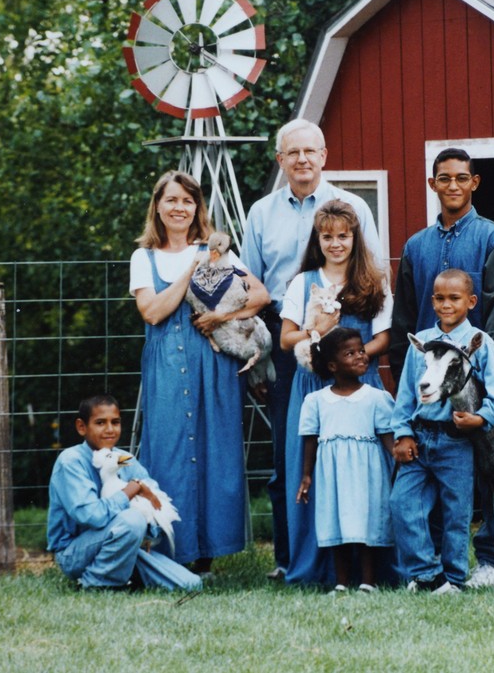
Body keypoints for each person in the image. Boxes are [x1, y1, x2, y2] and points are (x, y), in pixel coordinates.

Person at [241, 118, 383, 580]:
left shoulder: (352, 207)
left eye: (310, 151)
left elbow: (375, 277)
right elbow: (252, 286)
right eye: (292, 152)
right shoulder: (262, 212)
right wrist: (269, 352)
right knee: (293, 456)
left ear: (324, 155)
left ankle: (363, 560)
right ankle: (292, 561)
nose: (302, 159)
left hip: (354, 345)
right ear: (280, 159)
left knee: (360, 455)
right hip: (292, 342)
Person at [388, 147, 494, 588]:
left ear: (474, 183)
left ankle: (491, 559)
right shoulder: (415, 246)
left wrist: (482, 381)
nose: (453, 186)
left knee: (487, 475)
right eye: (444, 178)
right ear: (433, 184)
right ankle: (433, 570)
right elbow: (406, 316)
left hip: (474, 383)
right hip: (428, 382)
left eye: (461, 178)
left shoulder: (493, 236)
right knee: (437, 485)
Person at [129, 170, 270, 577]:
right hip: (167, 365)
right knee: (168, 449)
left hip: (212, 363)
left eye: (188, 201)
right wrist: (191, 270)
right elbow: (153, 311)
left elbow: (259, 294)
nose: (179, 208)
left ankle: (207, 556)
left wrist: (223, 314)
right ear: (158, 206)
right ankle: (171, 549)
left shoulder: (214, 251)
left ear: (197, 208)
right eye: (172, 200)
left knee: (214, 450)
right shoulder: (145, 257)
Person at [279, 199, 392, 584]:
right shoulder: (303, 281)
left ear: (355, 237)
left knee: (366, 473)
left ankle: (371, 570)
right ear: (318, 239)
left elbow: (383, 338)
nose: (336, 244)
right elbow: (285, 337)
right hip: (314, 384)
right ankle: (318, 569)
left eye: (343, 236)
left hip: (360, 386)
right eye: (327, 236)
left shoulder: (372, 282)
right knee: (312, 470)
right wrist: (318, 336)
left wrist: (356, 358)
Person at [389, 269, 494, 593]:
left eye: (454, 298)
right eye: (440, 298)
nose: (446, 305)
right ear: (432, 301)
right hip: (419, 438)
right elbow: (405, 395)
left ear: (470, 302)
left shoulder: (480, 344)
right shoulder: (422, 343)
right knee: (402, 504)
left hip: (456, 441)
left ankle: (454, 579)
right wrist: (402, 433)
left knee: (456, 512)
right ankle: (428, 573)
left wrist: (481, 418)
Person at [47, 394, 203, 592]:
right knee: (132, 520)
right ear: (82, 427)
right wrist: (131, 490)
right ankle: (97, 584)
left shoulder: (124, 459)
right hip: (76, 552)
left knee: (190, 585)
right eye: (100, 423)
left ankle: (124, 575)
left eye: (116, 422)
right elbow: (92, 516)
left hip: (128, 544)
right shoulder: (71, 461)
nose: (110, 429)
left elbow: (157, 503)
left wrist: (148, 533)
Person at [296, 327, 396, 593]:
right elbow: (310, 439)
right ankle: (340, 582)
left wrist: (400, 464)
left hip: (368, 474)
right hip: (333, 474)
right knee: (335, 521)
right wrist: (306, 476)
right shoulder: (316, 401)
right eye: (350, 353)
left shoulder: (377, 398)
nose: (361, 356)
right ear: (332, 365)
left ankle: (368, 581)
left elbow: (388, 437)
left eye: (361, 350)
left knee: (367, 522)